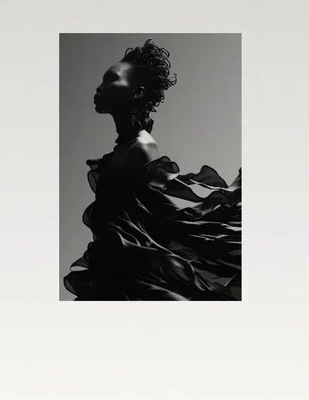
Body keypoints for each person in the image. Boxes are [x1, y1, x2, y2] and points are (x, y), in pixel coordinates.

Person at [63, 39, 241, 301]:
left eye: (111, 79)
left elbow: (169, 207)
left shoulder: (141, 147)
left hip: (133, 271)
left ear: (137, 93)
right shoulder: (124, 148)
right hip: (113, 266)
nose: (99, 87)